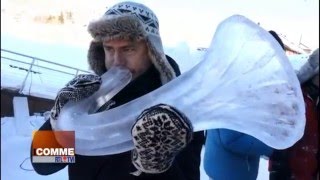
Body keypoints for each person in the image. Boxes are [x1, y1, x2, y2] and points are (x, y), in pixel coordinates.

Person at [30, 1, 205, 180]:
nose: (117, 61)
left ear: (152, 52)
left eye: (128, 49)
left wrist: (159, 166)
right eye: (109, 49)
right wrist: (59, 117)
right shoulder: (88, 98)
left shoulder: (181, 108)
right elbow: (43, 161)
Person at [203, 30, 286, 180]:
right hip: (227, 172)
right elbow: (230, 138)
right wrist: (271, 146)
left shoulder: (249, 82)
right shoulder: (235, 84)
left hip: (235, 169)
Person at [269, 48, 319, 180]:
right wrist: (278, 170)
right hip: (289, 173)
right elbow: (280, 137)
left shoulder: (316, 99)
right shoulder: (294, 98)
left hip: (309, 172)